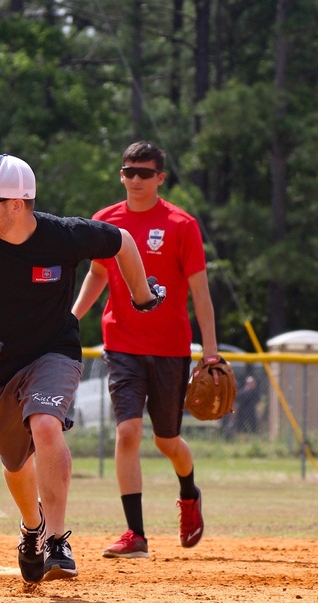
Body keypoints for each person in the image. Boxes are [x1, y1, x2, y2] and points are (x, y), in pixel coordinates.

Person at [0, 153, 164, 583]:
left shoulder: (63, 236)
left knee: (46, 424)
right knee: (16, 465)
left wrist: (142, 295)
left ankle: (56, 540)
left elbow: (123, 241)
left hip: (53, 351)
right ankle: (31, 529)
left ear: (16, 205)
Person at [72, 141, 219, 559]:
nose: (135, 179)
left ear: (160, 178)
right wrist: (72, 317)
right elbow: (97, 276)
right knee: (127, 431)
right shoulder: (106, 221)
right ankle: (135, 533)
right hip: (121, 343)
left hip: (171, 347)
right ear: (121, 175)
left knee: (167, 440)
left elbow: (200, 295)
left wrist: (209, 351)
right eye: (128, 171)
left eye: (143, 172)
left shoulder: (181, 224)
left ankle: (189, 493)